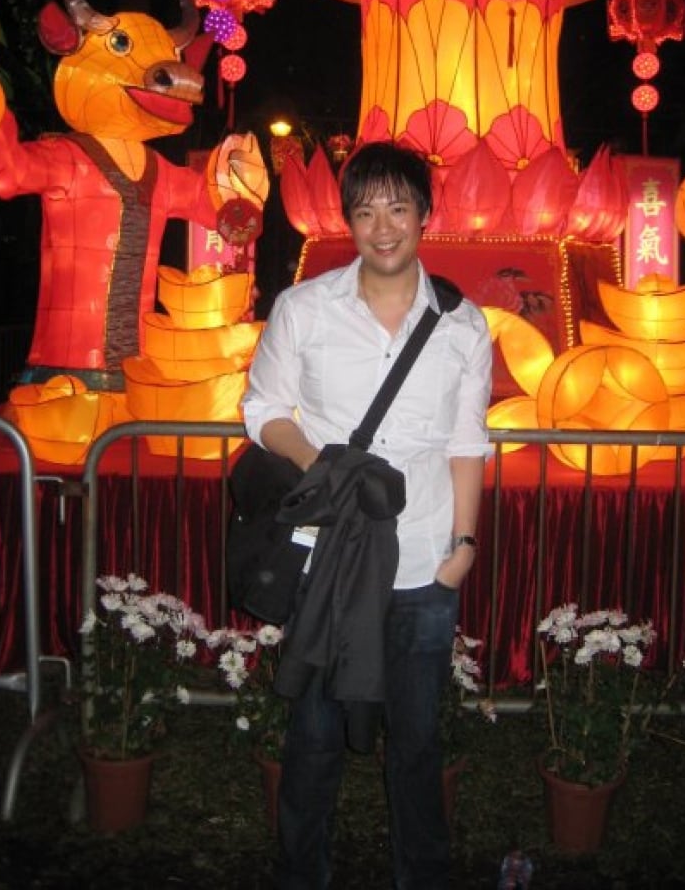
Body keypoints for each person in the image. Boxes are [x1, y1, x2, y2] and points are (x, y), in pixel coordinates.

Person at [241, 140, 493, 889]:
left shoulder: (462, 324)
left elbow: (467, 441)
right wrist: (324, 465)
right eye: (365, 210)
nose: (382, 226)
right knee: (314, 734)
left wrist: (465, 544)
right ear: (347, 219)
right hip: (331, 560)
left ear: (424, 215)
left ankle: (422, 875)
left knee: (416, 741)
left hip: (423, 562)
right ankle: (300, 873)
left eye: (398, 207)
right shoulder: (305, 308)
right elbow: (262, 409)